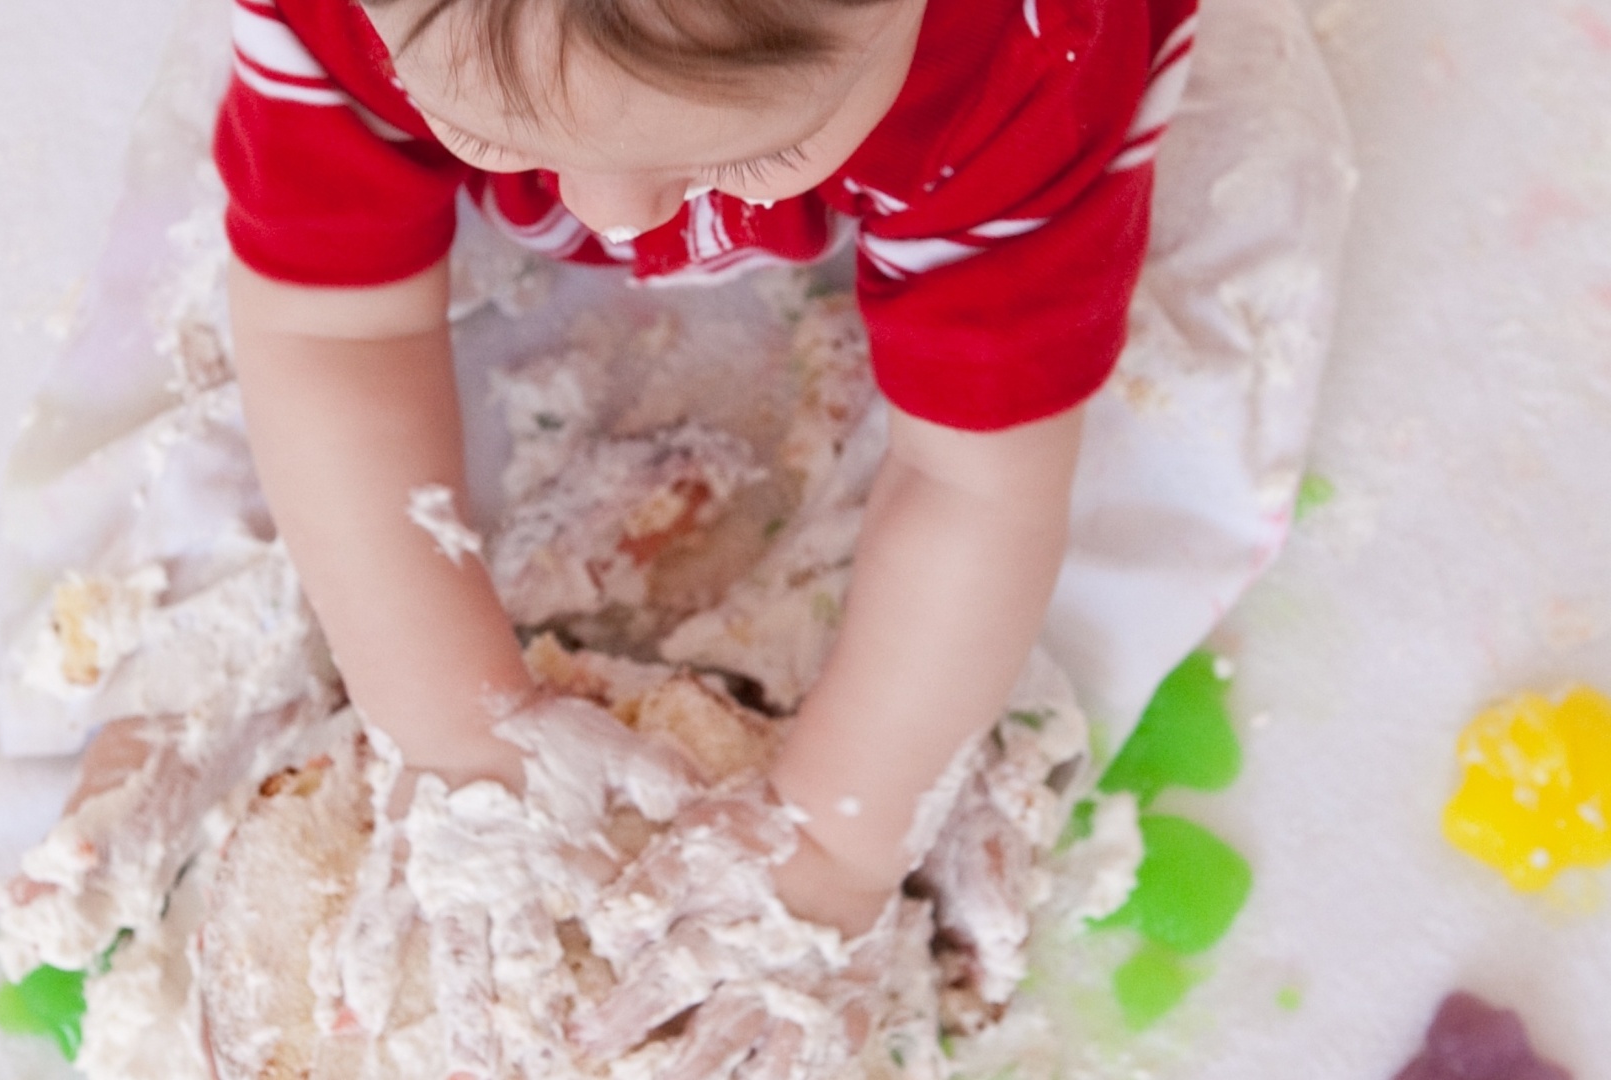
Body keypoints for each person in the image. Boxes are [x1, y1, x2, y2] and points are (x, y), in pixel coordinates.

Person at [217, 0, 1197, 937]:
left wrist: (837, 840)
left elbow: (976, 481)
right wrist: (447, 723)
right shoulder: (336, 17)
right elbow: (325, 328)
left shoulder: (1021, 73)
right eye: (493, 134)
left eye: (758, 154)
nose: (612, 215)